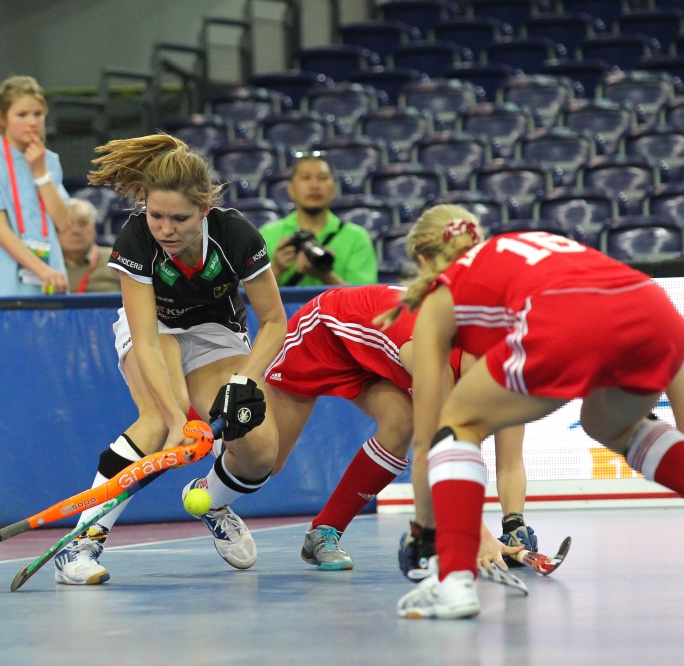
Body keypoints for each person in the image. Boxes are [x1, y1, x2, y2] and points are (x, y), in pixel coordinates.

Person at [392, 205, 684, 619]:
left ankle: (454, 581)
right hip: (654, 308)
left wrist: (426, 533)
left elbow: (426, 440)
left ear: (422, 260)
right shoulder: (518, 246)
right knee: (609, 425)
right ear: (475, 237)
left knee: (456, 425)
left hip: (565, 316)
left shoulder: (443, 292)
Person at [52, 134, 287, 585]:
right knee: (159, 419)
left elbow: (275, 321)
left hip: (216, 332)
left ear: (204, 209)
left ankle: (211, 499)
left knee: (259, 452)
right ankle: (80, 544)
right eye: (156, 215)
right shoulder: (136, 238)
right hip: (154, 328)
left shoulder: (236, 235)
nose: (165, 229)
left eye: (179, 218)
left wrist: (246, 380)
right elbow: (145, 339)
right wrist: (177, 418)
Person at [264, 280, 527, 572]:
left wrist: (514, 525)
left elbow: (511, 462)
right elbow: (442, 458)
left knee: (401, 424)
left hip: (381, 349)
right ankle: (224, 475)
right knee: (264, 462)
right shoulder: (432, 358)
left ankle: (324, 531)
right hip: (326, 333)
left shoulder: (508, 377)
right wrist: (479, 536)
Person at [0, 76, 72, 296]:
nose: (32, 122)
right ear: (2, 118)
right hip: (8, 285)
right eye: (22, 115)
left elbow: (64, 222)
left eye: (38, 114)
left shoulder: (49, 160)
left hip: (51, 282)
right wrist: (42, 270)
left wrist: (41, 174)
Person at [258, 155, 377, 287]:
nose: (314, 185)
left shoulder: (356, 237)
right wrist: (277, 268)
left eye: (322, 178)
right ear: (291, 190)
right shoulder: (267, 235)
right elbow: (247, 294)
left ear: (334, 188)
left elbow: (364, 296)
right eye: (305, 178)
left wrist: (324, 274)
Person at [58, 199, 121, 293]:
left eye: (83, 223)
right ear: (55, 231)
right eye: (67, 224)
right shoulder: (46, 264)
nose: (76, 231)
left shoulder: (118, 260)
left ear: (94, 229)